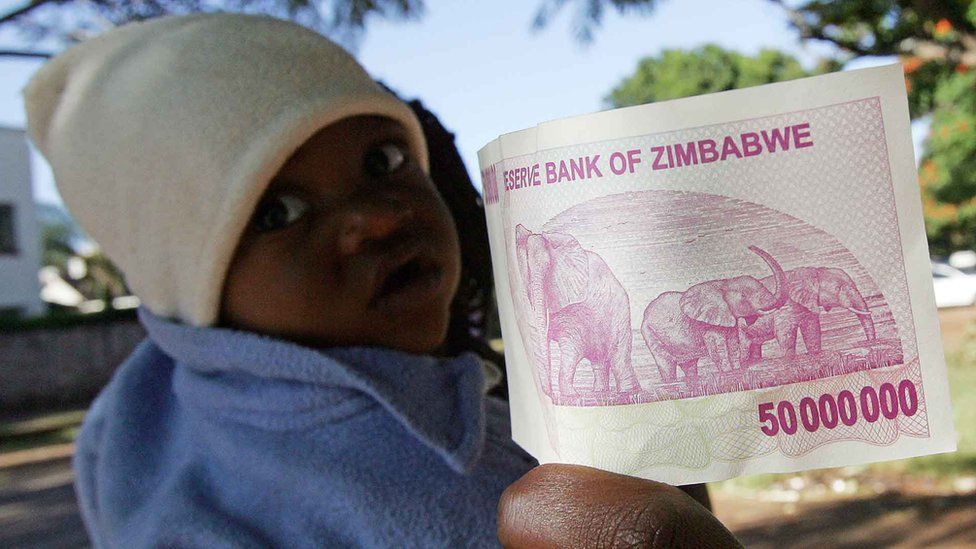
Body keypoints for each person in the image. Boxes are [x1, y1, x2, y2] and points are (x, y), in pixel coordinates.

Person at [23, 12, 740, 548]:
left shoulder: (137, 416)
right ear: (192, 291)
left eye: (385, 160)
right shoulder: (432, 478)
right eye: (276, 210)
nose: (374, 218)